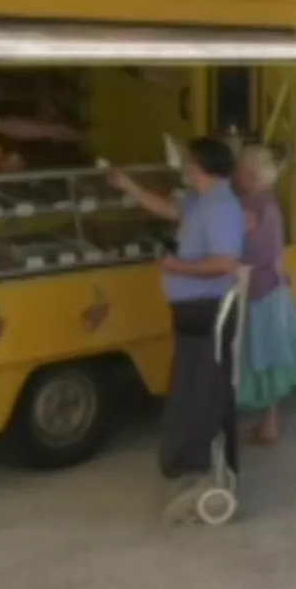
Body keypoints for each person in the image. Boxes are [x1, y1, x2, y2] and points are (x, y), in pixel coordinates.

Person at [111, 138, 248, 517]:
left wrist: (176, 269)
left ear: (203, 166)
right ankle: (190, 461)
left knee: (204, 387)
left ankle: (200, 463)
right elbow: (168, 208)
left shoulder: (221, 207)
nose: (184, 167)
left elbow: (224, 262)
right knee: (190, 385)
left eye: (189, 162)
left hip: (210, 310)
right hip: (192, 312)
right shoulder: (199, 201)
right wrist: (130, 187)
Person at [231, 144, 296, 446]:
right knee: (272, 360)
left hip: (259, 291)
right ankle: (269, 423)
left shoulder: (249, 207)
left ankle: (269, 425)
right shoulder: (267, 201)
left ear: (249, 174)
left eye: (238, 169)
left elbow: (244, 251)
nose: (235, 174)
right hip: (275, 287)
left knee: (260, 359)